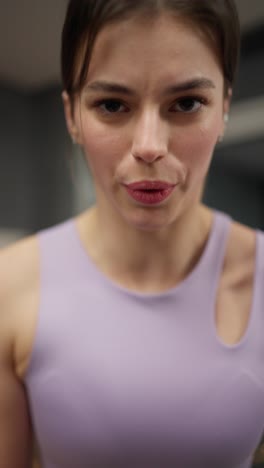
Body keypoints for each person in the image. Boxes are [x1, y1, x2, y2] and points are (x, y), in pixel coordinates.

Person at [0, 0, 264, 467]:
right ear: (72, 117)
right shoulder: (9, 288)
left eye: (186, 103)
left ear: (223, 108)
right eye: (111, 105)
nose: (149, 145)